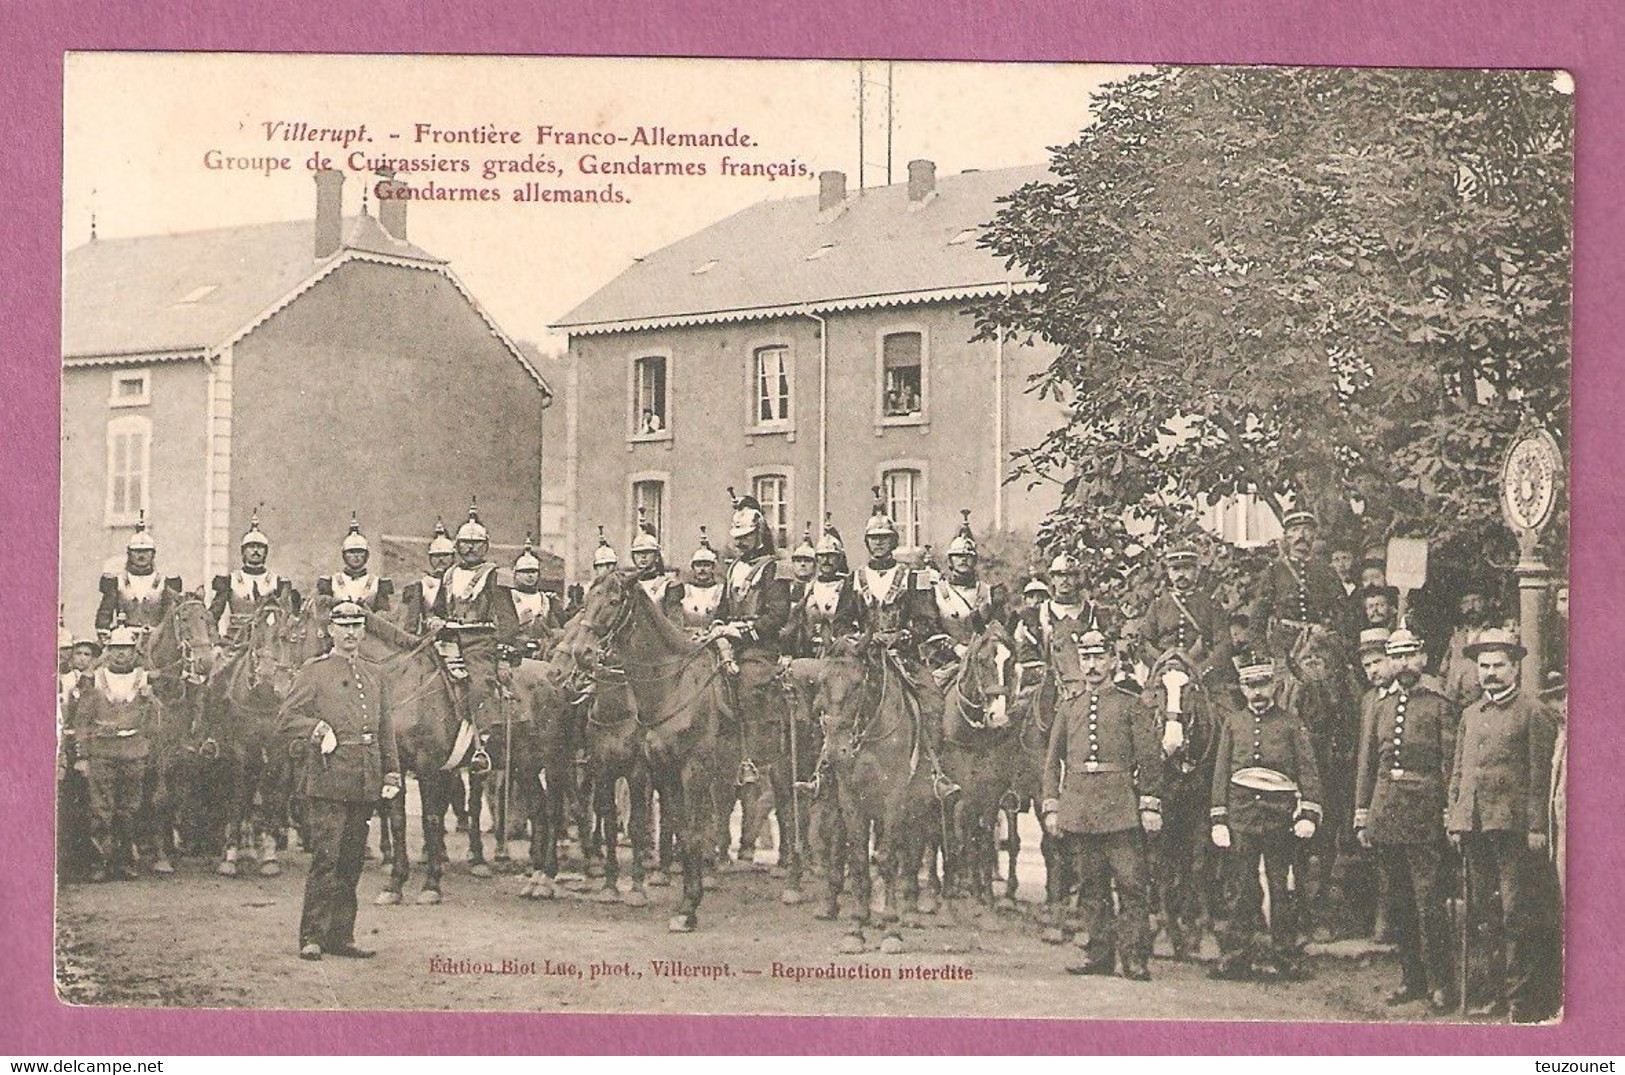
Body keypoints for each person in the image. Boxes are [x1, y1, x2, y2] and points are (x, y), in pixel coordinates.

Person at [1446, 628, 1562, 1022]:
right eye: (1484, 666)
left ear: (1515, 667)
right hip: (1475, 828)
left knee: (1517, 913)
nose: (1490, 673)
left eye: (1498, 665)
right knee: (1484, 914)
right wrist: (1456, 817)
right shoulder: (1470, 714)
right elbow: (1460, 771)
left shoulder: (1534, 712)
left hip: (1513, 831)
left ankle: (1522, 999)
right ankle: (1493, 991)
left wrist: (1536, 828)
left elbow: (1539, 776)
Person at [278, 601, 402, 961]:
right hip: (330, 776)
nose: (350, 633)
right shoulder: (314, 671)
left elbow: (385, 729)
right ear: (330, 631)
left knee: (351, 862)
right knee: (326, 858)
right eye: (343, 626)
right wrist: (317, 728)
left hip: (364, 777)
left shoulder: (374, 672)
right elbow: (287, 717)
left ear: (364, 631)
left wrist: (390, 771)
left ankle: (341, 935)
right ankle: (312, 936)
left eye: (357, 626)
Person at [1040, 628, 1162, 980]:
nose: (1092, 665)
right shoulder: (1068, 708)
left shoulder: (1130, 705)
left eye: (1098, 658)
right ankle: (1098, 955)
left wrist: (1150, 805)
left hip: (1121, 808)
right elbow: (1053, 762)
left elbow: (1149, 759)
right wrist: (1051, 805)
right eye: (1086, 658)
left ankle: (1135, 958)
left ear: (1112, 661)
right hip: (1080, 807)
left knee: (1131, 885)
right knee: (1090, 887)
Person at [1354, 628, 1457, 1011]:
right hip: (1387, 812)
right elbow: (1367, 764)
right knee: (1398, 903)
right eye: (1396, 657)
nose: (1403, 664)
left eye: (1409, 655)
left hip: (1425, 814)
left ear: (1423, 658)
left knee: (1429, 902)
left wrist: (1449, 812)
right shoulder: (1379, 705)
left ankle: (1441, 983)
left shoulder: (1439, 704)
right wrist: (1362, 814)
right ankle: (1411, 979)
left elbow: (1449, 765)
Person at [1209, 654, 1324, 979]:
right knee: (1242, 888)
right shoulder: (1233, 723)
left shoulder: (1290, 724)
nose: (1257, 692)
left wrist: (1309, 814)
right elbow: (1221, 774)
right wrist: (1219, 818)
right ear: (1242, 688)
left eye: (1262, 684)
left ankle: (1286, 956)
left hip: (1280, 819)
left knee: (1282, 890)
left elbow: (1308, 772)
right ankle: (1236, 957)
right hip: (1242, 817)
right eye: (1250, 685)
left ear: (1274, 685)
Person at [850, 487, 956, 797]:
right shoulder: (854, 578)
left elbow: (926, 621)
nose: (879, 543)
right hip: (864, 657)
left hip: (903, 657)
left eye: (884, 538)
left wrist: (902, 636)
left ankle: (933, 770)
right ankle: (829, 769)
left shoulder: (912, 577)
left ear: (894, 542)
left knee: (933, 701)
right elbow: (842, 620)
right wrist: (857, 639)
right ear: (867, 543)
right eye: (874, 538)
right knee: (836, 700)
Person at [71, 624, 162, 881]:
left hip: (133, 753)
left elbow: (154, 721)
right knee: (101, 810)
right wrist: (82, 756)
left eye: (127, 649)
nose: (122, 654)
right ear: (108, 651)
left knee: (129, 810)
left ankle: (126, 862)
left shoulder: (144, 679)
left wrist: (151, 700)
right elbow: (82, 721)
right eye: (117, 649)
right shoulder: (95, 679)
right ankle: (100, 863)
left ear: (134, 652)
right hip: (102, 753)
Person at [427, 502, 518, 754]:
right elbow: (437, 610)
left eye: (476, 543)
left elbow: (509, 620)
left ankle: (482, 743)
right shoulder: (448, 575)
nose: (470, 548)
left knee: (479, 686)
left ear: (486, 547)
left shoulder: (495, 575)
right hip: (447, 640)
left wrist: (502, 656)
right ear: (456, 546)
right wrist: (434, 620)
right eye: (465, 543)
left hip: (480, 642)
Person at [1250, 508, 1345, 659]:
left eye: (1307, 530)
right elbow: (1258, 617)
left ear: (1314, 535)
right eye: (1295, 530)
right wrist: (1263, 654)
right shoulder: (1274, 572)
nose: (1301, 536)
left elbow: (1342, 613)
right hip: (1285, 648)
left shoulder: (1326, 571)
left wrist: (1327, 630)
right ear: (1287, 537)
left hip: (1320, 645)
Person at [1142, 542, 1233, 685]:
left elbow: (1223, 645)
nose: (1181, 574)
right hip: (1164, 672)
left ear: (1197, 570)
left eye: (1187, 568)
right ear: (1169, 573)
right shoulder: (1158, 605)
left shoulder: (1210, 605)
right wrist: (1161, 663)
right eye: (1176, 569)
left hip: (1201, 675)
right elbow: (1145, 643)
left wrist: (1201, 669)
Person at [926, 511, 998, 678]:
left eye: (968, 556)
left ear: (975, 560)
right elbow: (929, 629)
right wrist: (954, 647)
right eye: (958, 556)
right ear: (950, 561)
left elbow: (999, 629)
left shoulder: (989, 592)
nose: (963, 560)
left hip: (983, 663)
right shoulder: (936, 592)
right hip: (946, 662)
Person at [209, 509, 298, 644]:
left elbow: (287, 614)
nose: (255, 551)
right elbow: (214, 615)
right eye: (251, 547)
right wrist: (215, 640)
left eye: (260, 547)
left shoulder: (277, 582)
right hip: (236, 640)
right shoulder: (230, 580)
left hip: (268, 640)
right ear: (243, 552)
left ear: (265, 552)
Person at [95, 512, 184, 641]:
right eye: (136, 552)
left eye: (146, 551)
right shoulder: (118, 581)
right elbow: (105, 612)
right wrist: (105, 633)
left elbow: (170, 614)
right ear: (129, 554)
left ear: (153, 554)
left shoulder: (164, 582)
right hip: (123, 639)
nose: (141, 556)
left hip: (156, 640)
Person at [317, 513, 393, 612]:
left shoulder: (376, 583)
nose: (356, 556)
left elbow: (384, 615)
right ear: (344, 555)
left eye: (360, 552)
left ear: (366, 555)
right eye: (351, 552)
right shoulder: (331, 582)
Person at [397, 520, 456, 635]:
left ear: (453, 557)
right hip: (430, 637)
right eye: (436, 556)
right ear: (430, 558)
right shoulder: (422, 584)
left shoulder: (459, 580)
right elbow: (411, 620)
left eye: (445, 555)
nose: (441, 559)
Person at [629, 508, 684, 624]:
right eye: (639, 554)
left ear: (656, 556)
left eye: (647, 553)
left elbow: (674, 623)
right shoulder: (628, 585)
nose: (643, 557)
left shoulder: (668, 585)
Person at [510, 535, 560, 656]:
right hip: (516, 651)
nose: (530, 576)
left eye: (533, 572)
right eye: (525, 572)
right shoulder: (508, 597)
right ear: (516, 574)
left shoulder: (546, 600)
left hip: (542, 652)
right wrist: (519, 622)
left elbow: (555, 629)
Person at [680, 527, 726, 633]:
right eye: (698, 565)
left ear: (713, 567)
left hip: (714, 635)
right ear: (693, 567)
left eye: (706, 565)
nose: (702, 569)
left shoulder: (721, 590)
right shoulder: (684, 589)